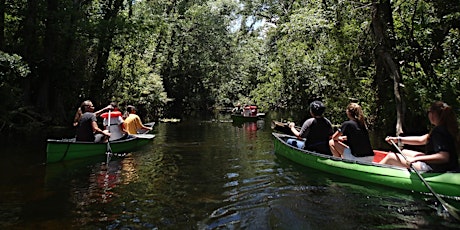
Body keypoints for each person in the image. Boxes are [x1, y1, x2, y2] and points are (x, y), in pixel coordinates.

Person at [380, 101, 459, 172]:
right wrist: (398, 139)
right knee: (404, 152)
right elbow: (421, 140)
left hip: (435, 168)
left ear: (433, 114)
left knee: (391, 157)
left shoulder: (438, 131)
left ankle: (372, 174)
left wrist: (416, 159)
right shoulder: (448, 128)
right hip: (448, 166)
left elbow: (444, 157)